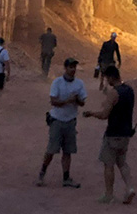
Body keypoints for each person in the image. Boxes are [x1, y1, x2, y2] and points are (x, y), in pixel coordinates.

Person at [84, 66, 136, 204]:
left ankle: (109, 194)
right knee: (122, 163)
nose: (107, 81)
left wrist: (91, 113)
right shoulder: (129, 91)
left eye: (107, 78)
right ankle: (130, 187)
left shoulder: (114, 93)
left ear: (112, 77)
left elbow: (104, 114)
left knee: (108, 164)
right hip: (126, 132)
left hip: (114, 132)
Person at [38, 58, 88, 188]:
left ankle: (66, 177)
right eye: (71, 67)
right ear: (65, 68)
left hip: (71, 121)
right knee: (51, 149)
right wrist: (68, 100)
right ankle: (42, 172)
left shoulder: (79, 84)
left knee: (68, 150)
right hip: (57, 120)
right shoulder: (57, 82)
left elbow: (83, 102)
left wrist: (76, 99)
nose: (73, 70)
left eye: (74, 67)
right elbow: (53, 101)